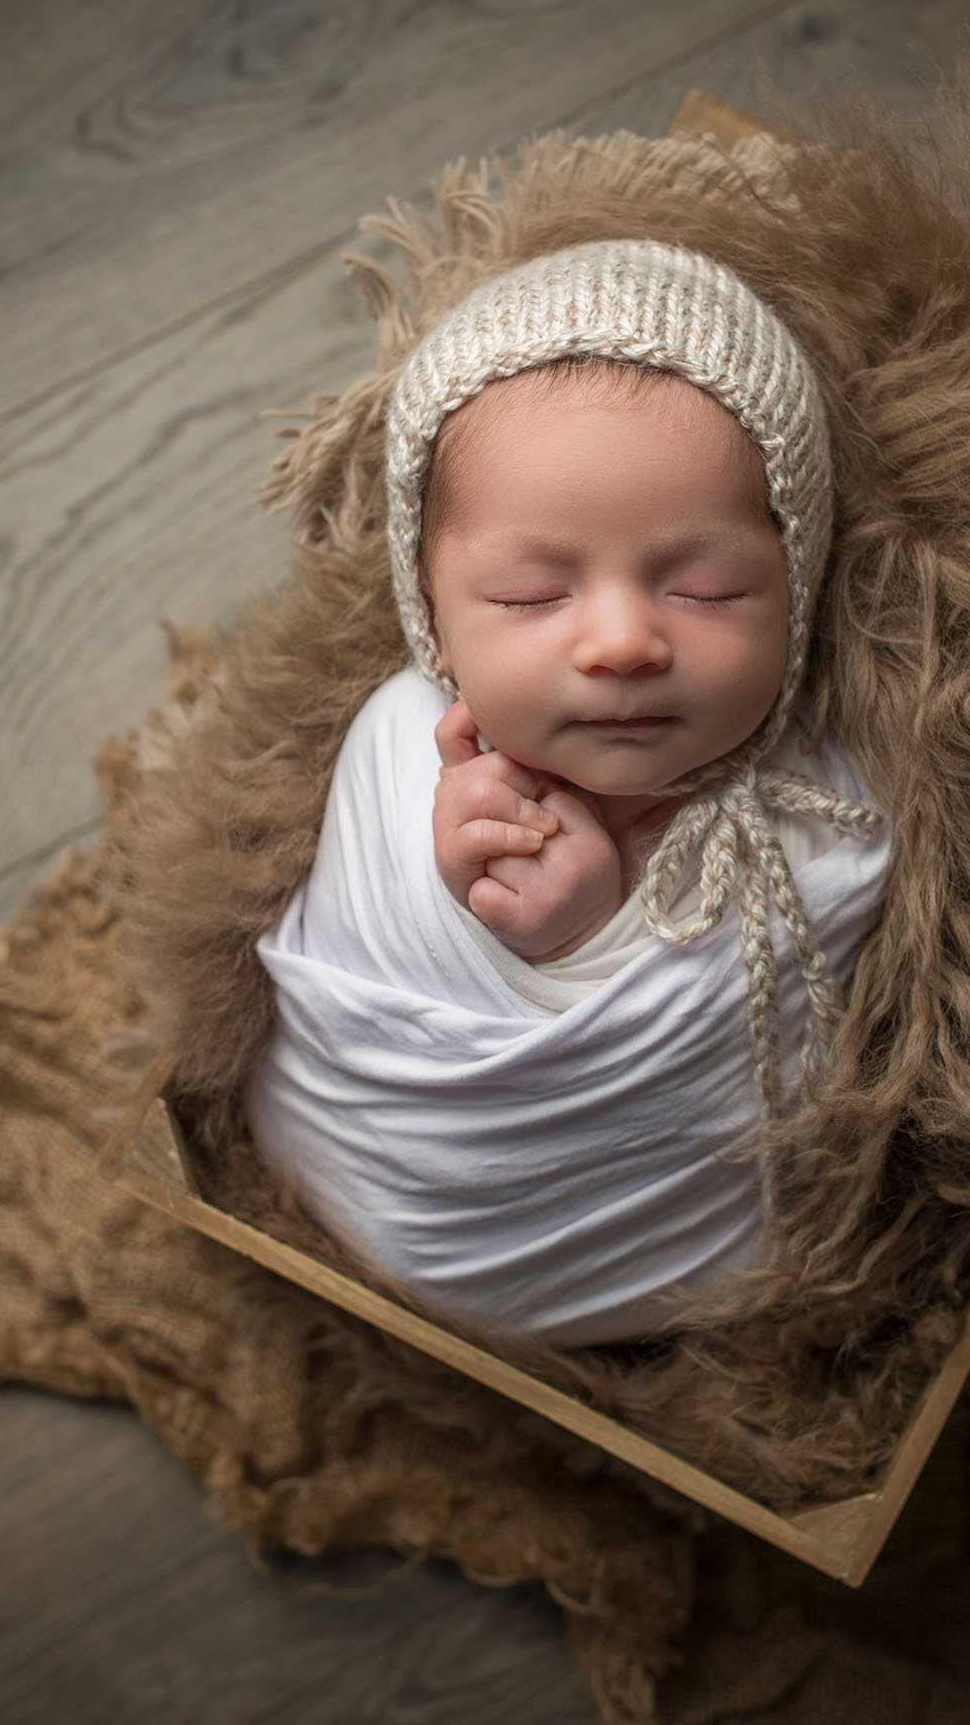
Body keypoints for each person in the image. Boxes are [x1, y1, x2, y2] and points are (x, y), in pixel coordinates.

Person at [241, 239, 896, 1349]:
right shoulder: (405, 746)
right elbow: (371, 961)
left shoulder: (829, 795)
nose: (622, 640)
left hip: (683, 1259)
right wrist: (490, 917)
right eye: (531, 594)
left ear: (798, 584)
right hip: (393, 1182)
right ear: (433, 614)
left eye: (705, 588)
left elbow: (836, 1032)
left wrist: (595, 934)